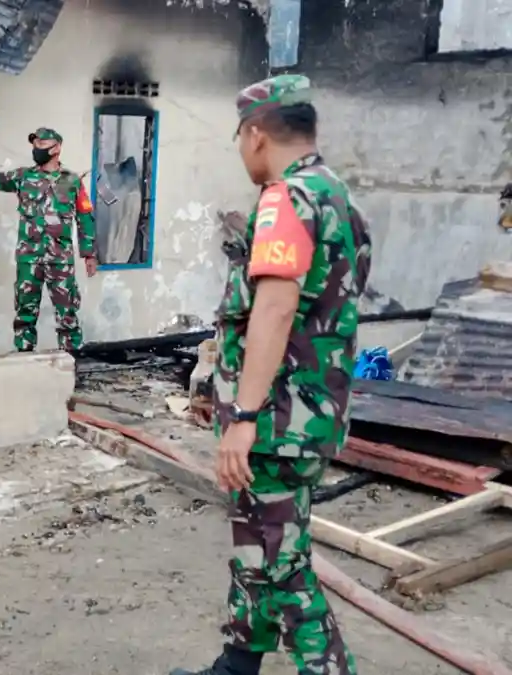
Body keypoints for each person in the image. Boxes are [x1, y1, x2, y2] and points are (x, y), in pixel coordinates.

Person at [171, 74, 370, 675]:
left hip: (278, 420)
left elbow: (276, 308)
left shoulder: (288, 198)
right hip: (308, 414)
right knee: (258, 546)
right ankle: (237, 663)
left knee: (284, 564)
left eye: (239, 137)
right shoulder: (339, 197)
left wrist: (246, 417)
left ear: (257, 134)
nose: (240, 150)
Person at [0, 128, 97, 353]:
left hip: (61, 260)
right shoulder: (23, 177)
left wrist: (89, 254)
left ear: (56, 147)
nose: (37, 147)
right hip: (29, 258)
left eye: (42, 143)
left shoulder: (72, 181)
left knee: (67, 314)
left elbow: (85, 217)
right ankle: (24, 361)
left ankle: (71, 364)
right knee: (24, 314)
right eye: (35, 143)